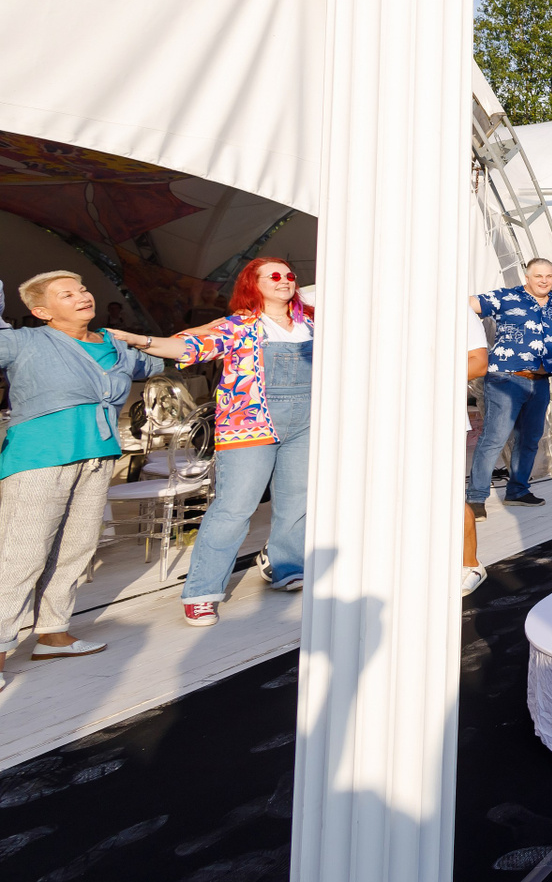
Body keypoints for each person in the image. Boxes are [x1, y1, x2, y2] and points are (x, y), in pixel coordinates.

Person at [119, 258, 316, 628]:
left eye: (289, 275)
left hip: (306, 425)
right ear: (253, 284)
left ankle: (286, 565)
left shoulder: (312, 323)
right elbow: (189, 348)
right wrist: (140, 340)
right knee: (234, 508)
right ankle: (201, 592)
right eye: (273, 276)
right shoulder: (240, 325)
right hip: (249, 426)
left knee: (297, 501)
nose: (285, 281)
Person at [0, 272, 163, 684]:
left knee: (76, 548)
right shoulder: (24, 341)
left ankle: (53, 634)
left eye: (83, 289)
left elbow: (172, 355)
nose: (82, 297)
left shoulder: (115, 345)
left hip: (96, 457)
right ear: (42, 311)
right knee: (22, 553)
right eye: (66, 294)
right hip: (39, 458)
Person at [465, 259, 552, 509]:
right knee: (494, 438)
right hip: (506, 379)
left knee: (530, 439)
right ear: (527, 277)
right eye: (538, 276)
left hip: (539, 382)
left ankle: (518, 490)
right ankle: (476, 498)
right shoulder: (506, 297)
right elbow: (466, 304)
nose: (544, 280)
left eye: (548, 276)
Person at [462, 306, 491, 596]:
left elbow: (478, 363)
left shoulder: (458, 310)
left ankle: (470, 564)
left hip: (436, 415)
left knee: (443, 496)